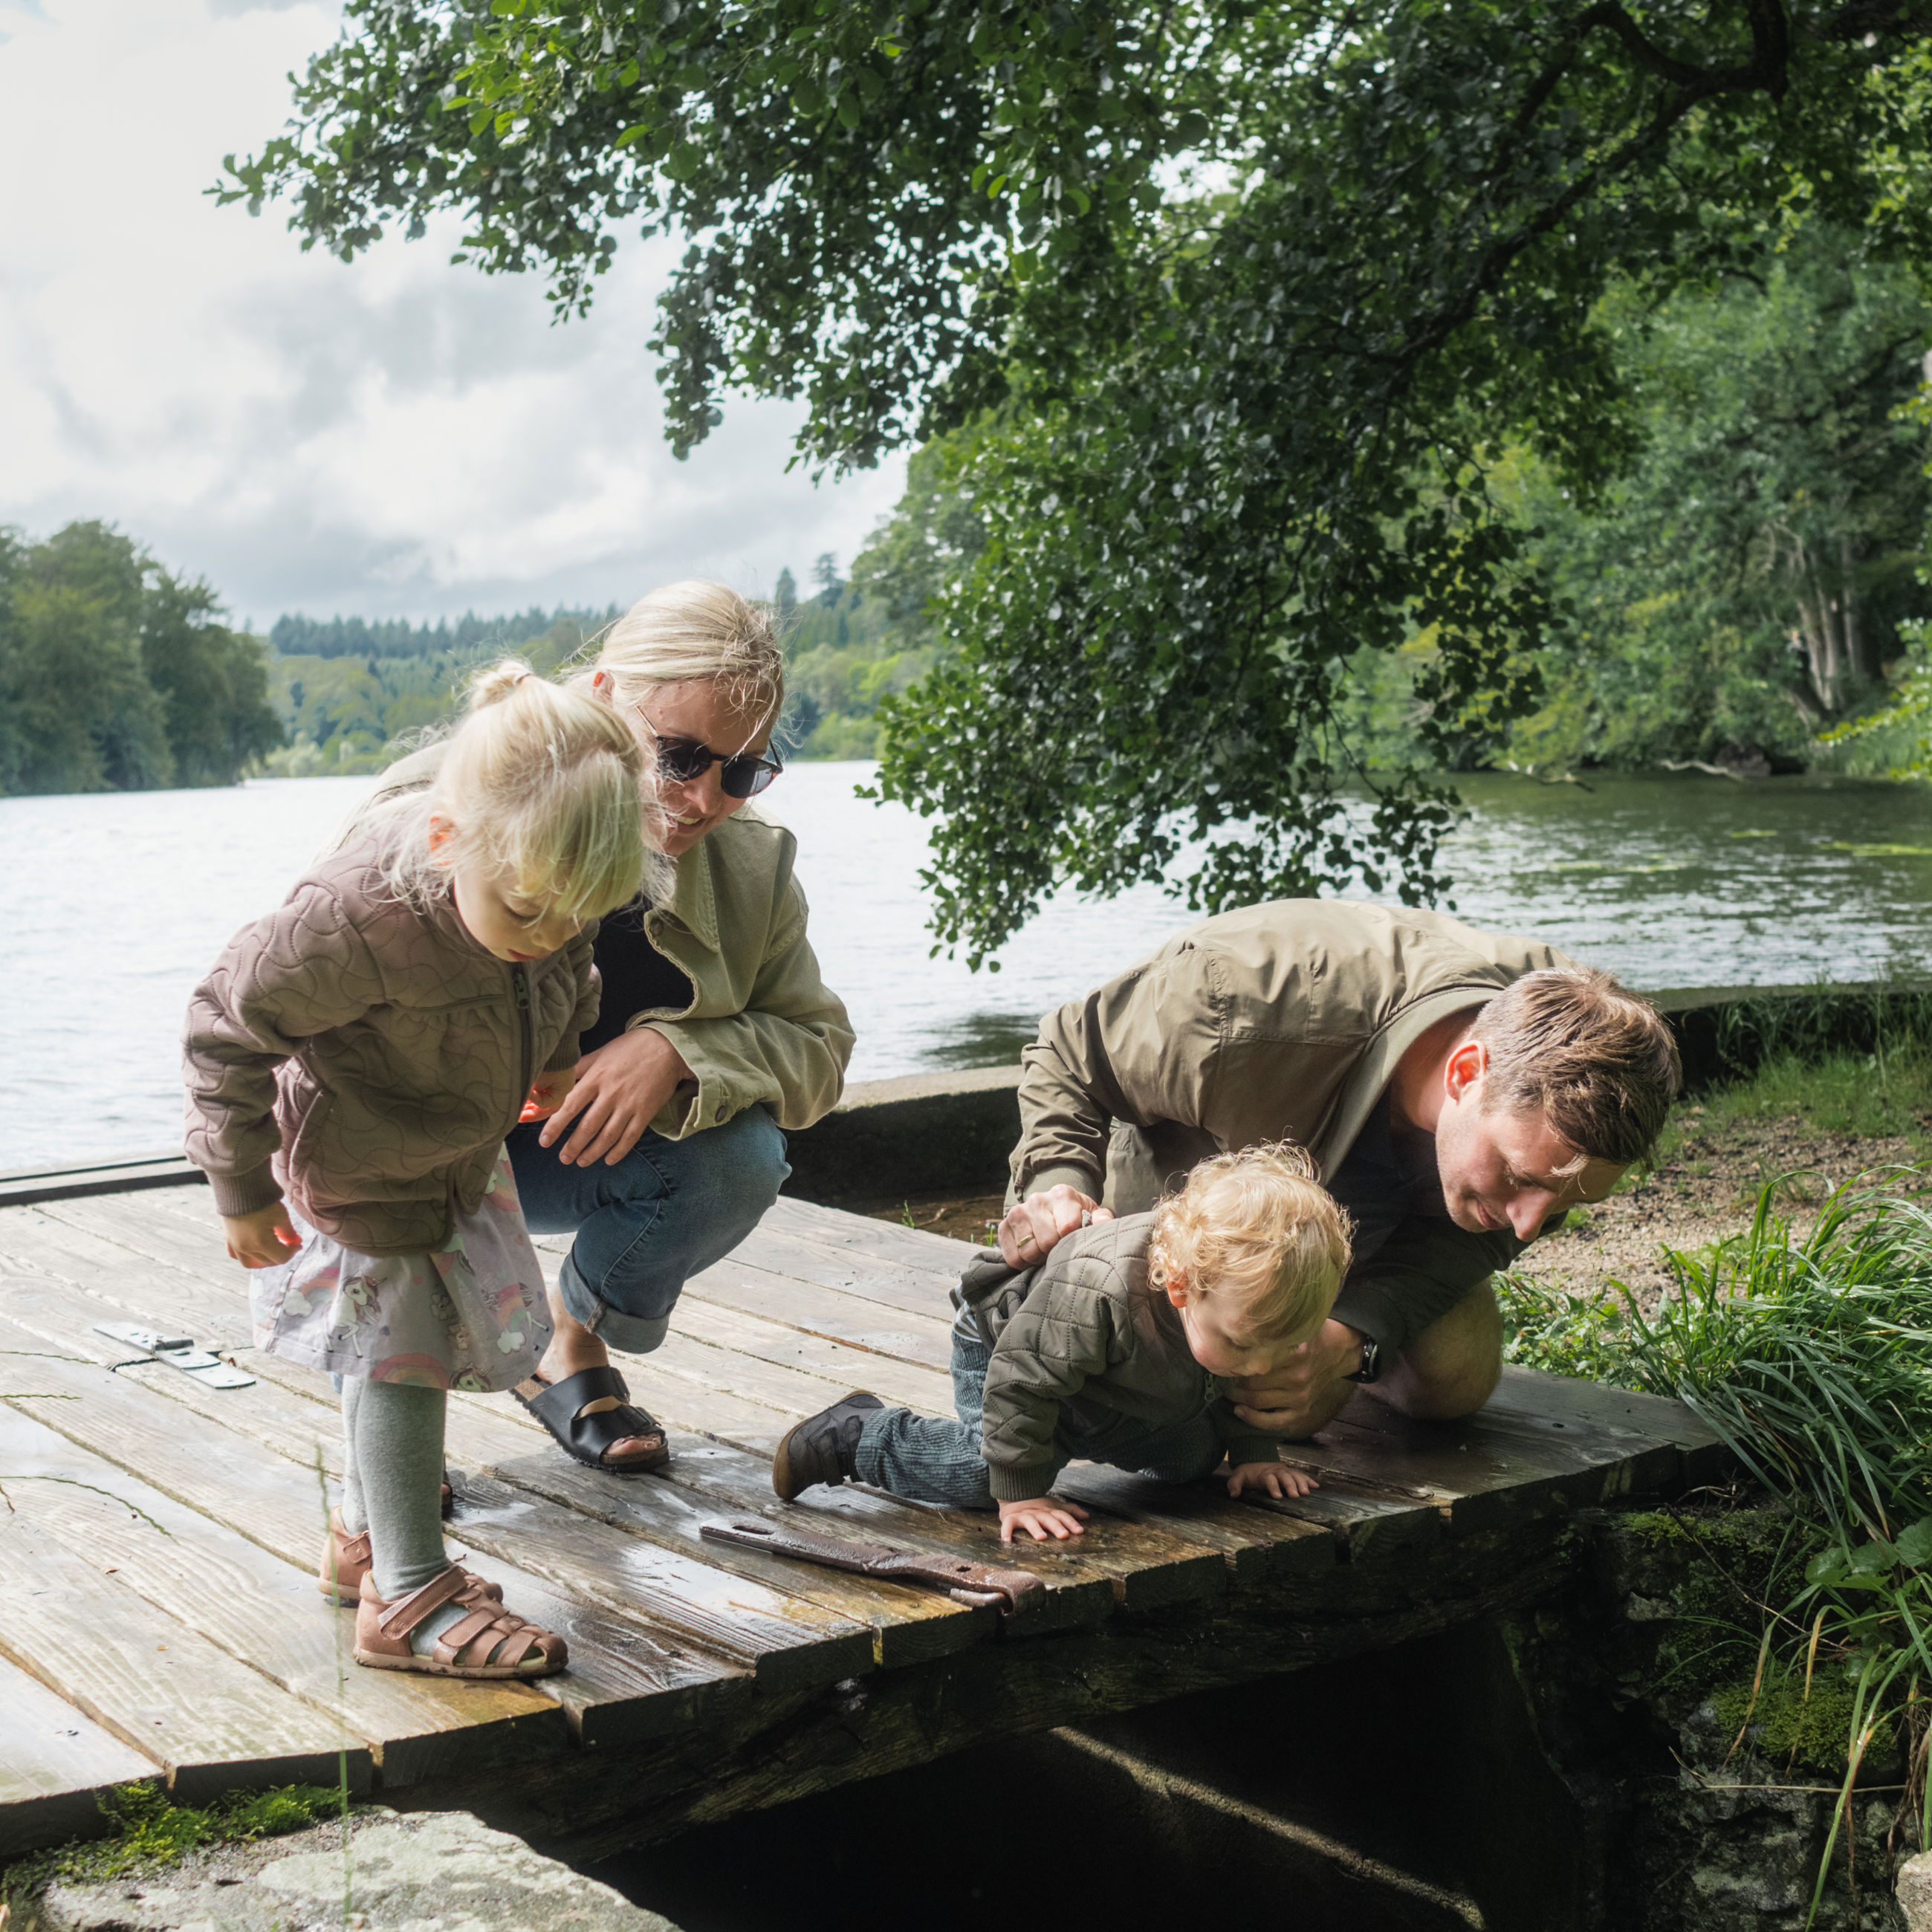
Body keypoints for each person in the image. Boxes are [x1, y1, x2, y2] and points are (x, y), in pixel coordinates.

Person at [184, 663, 649, 1679]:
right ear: (447, 840)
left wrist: (559, 1053)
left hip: (451, 1149)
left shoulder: (547, 889)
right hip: (357, 1157)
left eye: (579, 911)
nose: (550, 934)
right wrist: (242, 1185)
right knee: (401, 1355)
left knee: (396, 1343)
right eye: (527, 911)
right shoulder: (352, 920)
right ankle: (405, 1594)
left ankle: (363, 1542)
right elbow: (224, 1027)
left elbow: (573, 968)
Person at [366, 581, 854, 1475]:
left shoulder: (753, 864)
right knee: (382, 1197)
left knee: (739, 1159)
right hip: (405, 1147)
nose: (703, 798)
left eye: (740, 772)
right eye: (678, 755)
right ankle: (389, 1433)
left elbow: (820, 1048)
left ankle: (567, 1336)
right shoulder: (432, 803)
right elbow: (304, 1020)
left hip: (563, 1153)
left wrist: (681, 1050)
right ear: (600, 695)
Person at [997, 901, 1682, 1440]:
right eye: (1519, 1176)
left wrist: (1348, 1338)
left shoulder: (1589, 1048)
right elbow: (1068, 1051)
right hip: (1198, 1219)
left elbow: (1488, 1231)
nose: (1528, 1227)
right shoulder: (1238, 1009)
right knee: (1152, 1392)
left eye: (1563, 1200)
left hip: (1351, 1225)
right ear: (1466, 1072)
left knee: (1455, 1378)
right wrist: (1058, 1184)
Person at [771, 1144, 1354, 1543]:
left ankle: (1072, 1435)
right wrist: (1021, 1495)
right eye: (1245, 1346)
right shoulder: (1098, 1291)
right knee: (988, 1472)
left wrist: (1253, 1453)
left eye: (1285, 1348)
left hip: (1103, 1378)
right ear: (1180, 1286)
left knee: (1195, 1458)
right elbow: (1019, 1380)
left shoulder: (1233, 1312)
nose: (1263, 1367)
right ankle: (853, 1436)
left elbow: (1241, 1377)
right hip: (1009, 1347)